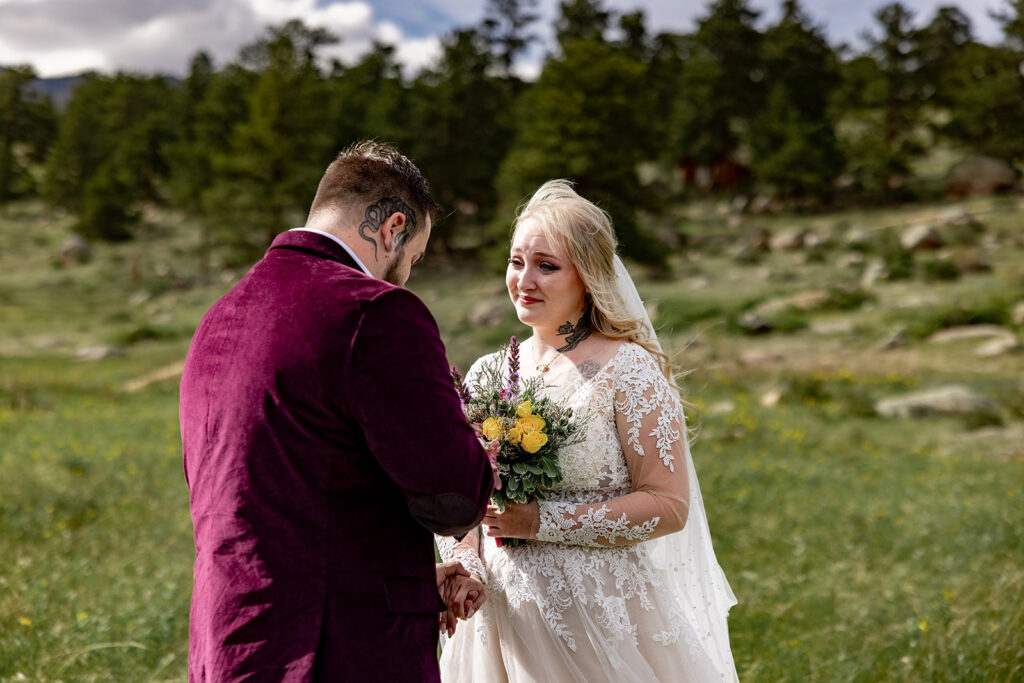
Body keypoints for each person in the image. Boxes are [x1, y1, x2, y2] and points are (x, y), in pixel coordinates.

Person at [180, 140, 493, 682]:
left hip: (230, 641)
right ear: (392, 227)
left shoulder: (218, 319)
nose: (406, 275)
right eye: (413, 258)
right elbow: (454, 497)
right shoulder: (376, 313)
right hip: (340, 649)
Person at [436, 180, 739, 682]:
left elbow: (669, 505)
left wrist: (541, 522)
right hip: (498, 623)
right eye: (516, 262)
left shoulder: (629, 371)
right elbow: (462, 494)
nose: (524, 280)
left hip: (599, 620)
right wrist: (465, 565)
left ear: (588, 277)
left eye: (547, 266)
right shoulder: (488, 374)